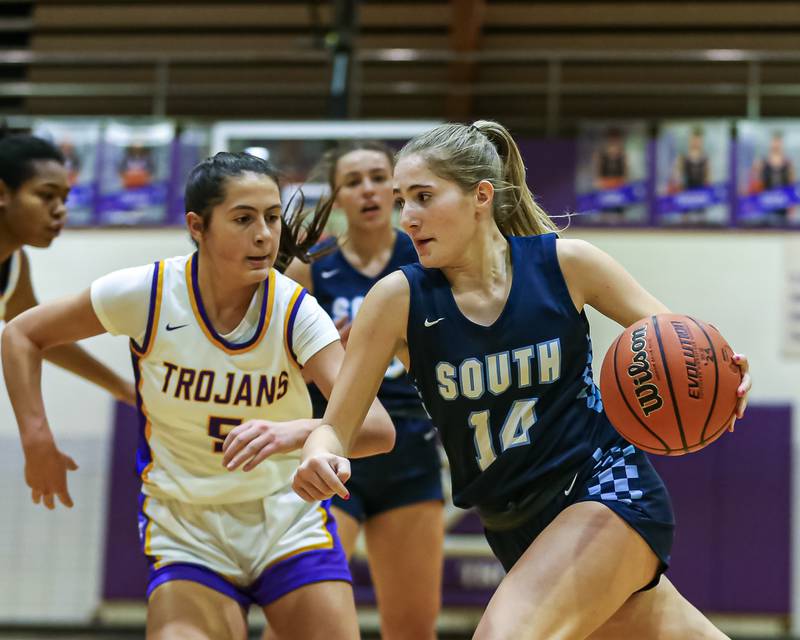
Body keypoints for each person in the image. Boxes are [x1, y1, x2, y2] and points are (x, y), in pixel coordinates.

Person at [289, 121, 752, 639]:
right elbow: (337, 426)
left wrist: (728, 370)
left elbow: (681, 343)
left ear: (480, 196)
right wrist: (319, 451)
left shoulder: (565, 263)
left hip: (602, 488)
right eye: (403, 201)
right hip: (513, 525)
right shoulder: (395, 300)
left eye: (423, 197)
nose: (409, 218)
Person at [2, 151, 395, 640]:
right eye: (244, 219)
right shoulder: (147, 292)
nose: (264, 234)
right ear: (197, 226)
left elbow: (377, 428)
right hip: (187, 530)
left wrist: (294, 432)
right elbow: (20, 334)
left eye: (272, 218)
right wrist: (36, 439)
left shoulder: (295, 310)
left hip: (285, 520)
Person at [273, 140, 444, 640]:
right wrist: (336, 358)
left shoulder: (425, 257)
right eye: (353, 181)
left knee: (413, 627)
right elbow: (278, 372)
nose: (367, 189)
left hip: (410, 448)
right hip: (335, 444)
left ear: (394, 191)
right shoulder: (313, 266)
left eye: (376, 177)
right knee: (300, 623)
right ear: (338, 197)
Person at [0, 133, 133, 405]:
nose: (60, 211)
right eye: (46, 195)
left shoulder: (14, 263)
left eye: (64, 198)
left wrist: (125, 390)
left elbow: (40, 336)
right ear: (2, 193)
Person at [750, 132, 796, 222]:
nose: (776, 144)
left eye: (778, 142)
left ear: (782, 144)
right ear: (770, 143)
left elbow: (791, 184)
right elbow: (754, 182)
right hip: (766, 202)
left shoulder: (788, 163)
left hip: (783, 203)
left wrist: (792, 205)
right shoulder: (762, 162)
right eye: (774, 142)